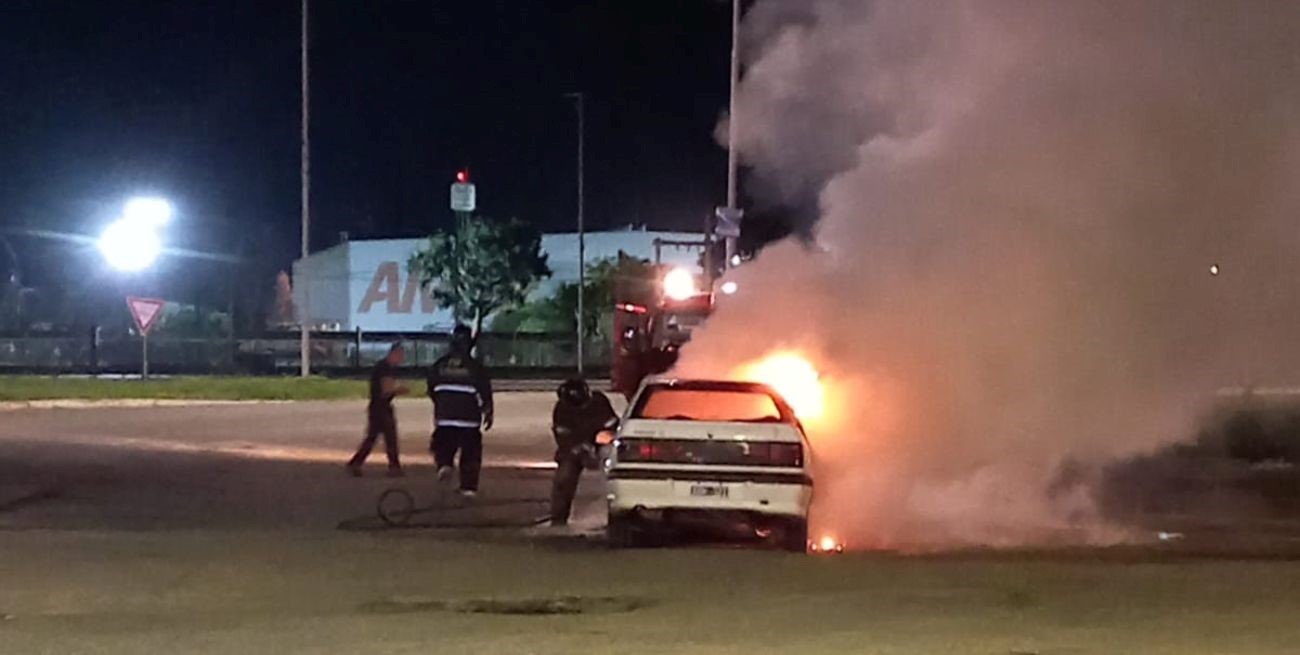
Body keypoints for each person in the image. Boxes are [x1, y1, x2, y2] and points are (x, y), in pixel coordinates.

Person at [427, 324, 493, 496]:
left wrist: (442, 406)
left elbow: (432, 390)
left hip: (444, 417)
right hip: (469, 418)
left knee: (443, 445)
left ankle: (444, 465)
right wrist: (488, 411)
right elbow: (484, 391)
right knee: (471, 452)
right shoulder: (475, 367)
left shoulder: (439, 365)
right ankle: (468, 487)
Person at [550, 377, 618, 527]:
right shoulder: (562, 409)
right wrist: (579, 448)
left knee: (614, 464)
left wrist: (596, 443)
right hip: (574, 447)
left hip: (600, 445)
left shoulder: (600, 402)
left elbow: (611, 428)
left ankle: (617, 513)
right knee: (564, 476)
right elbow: (563, 437)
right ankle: (558, 517)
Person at [347, 342, 409, 477]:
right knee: (389, 437)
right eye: (400, 355)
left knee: (373, 438)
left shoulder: (386, 367)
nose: (401, 358)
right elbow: (386, 391)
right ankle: (394, 467)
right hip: (381, 407)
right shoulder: (385, 368)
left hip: (378, 406)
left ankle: (356, 463)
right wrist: (400, 390)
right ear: (394, 353)